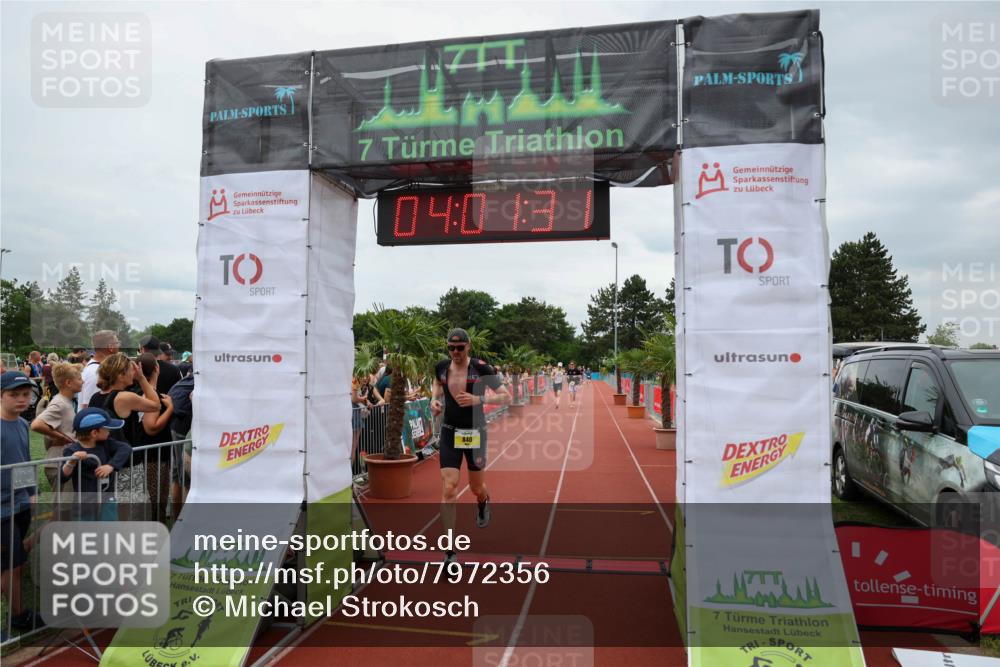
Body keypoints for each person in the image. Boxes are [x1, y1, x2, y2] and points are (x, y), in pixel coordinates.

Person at [431, 328, 510, 563]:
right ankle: (450, 551)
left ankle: (483, 501)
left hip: (475, 433)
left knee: (476, 487)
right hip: (449, 433)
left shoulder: (481, 368)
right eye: (451, 348)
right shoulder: (441, 367)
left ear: (469, 346)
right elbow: (436, 384)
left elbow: (506, 396)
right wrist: (434, 399)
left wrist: (479, 399)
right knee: (449, 487)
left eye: (460, 347)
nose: (455, 352)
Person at [1, 371, 40, 634]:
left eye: (25, 395)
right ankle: (18, 616)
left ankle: (18, 611)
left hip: (21, 503)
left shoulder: (24, 425)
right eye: (14, 395)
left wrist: (32, 491)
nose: (22, 400)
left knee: (16, 561)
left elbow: (25, 461)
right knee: (10, 565)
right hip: (2, 508)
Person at [60, 408, 132, 506]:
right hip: (85, 503)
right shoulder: (72, 450)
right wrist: (71, 462)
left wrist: (110, 466)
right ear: (94, 433)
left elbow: (126, 448)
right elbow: (63, 477)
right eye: (106, 428)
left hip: (107, 499)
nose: (109, 431)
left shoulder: (106, 443)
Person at [86, 353, 160, 445]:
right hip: (125, 453)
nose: (134, 373)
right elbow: (156, 405)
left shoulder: (95, 396)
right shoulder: (125, 397)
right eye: (131, 370)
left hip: (106, 453)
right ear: (121, 376)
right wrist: (141, 378)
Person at [31, 363, 83, 492]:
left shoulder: (66, 402)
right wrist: (63, 437)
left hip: (63, 461)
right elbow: (37, 424)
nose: (83, 381)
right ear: (68, 383)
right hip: (59, 462)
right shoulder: (60, 403)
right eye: (79, 379)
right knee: (64, 509)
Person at [136, 353, 175, 522]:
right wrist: (170, 409)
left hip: (152, 455)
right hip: (153, 457)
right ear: (157, 368)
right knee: (155, 498)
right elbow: (151, 427)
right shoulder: (150, 396)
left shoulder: (141, 392)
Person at [81, 330, 120, 409]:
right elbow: (89, 406)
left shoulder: (98, 368)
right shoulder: (95, 372)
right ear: (110, 347)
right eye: (117, 343)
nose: (119, 346)